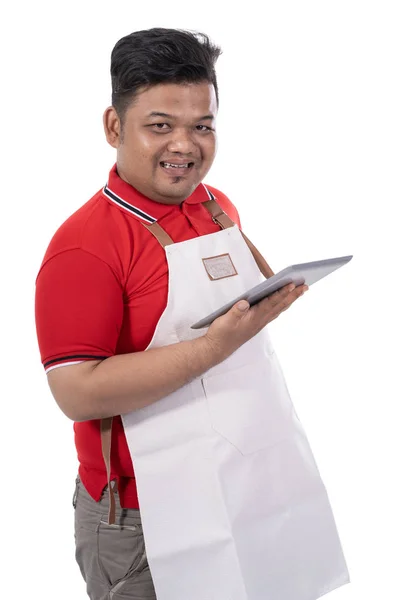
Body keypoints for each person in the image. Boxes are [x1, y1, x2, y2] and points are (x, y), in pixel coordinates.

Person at [35, 28, 349, 600]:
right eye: (160, 125)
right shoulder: (85, 247)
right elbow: (76, 392)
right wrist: (214, 346)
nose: (185, 145)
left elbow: (237, 301)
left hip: (243, 484)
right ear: (113, 127)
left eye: (202, 125)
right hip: (142, 518)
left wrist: (274, 293)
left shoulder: (215, 204)